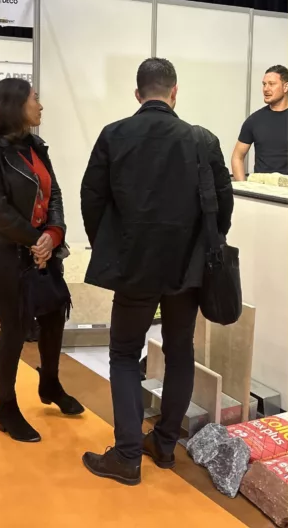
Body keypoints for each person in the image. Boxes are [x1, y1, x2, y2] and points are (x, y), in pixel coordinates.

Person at [80, 58, 233, 486]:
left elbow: (92, 198)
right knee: (180, 349)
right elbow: (223, 204)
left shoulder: (114, 135)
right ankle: (164, 444)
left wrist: (109, 245)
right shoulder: (202, 140)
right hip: (187, 268)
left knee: (124, 353)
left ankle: (128, 455)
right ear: (174, 92)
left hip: (134, 265)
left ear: (137, 93)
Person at [0, 77, 83, 443]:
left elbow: (54, 193)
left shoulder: (35, 145)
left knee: (53, 316)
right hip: (3, 253)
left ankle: (50, 383)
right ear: (15, 105)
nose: (41, 105)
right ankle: (6, 406)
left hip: (42, 250)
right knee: (15, 329)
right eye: (35, 98)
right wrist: (38, 240)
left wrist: (54, 233)